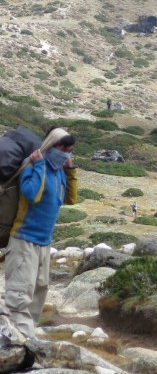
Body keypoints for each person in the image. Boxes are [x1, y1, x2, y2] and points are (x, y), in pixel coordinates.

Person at [3, 128, 78, 338]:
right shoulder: (31, 165)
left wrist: (70, 171)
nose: (66, 154)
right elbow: (32, 195)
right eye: (62, 149)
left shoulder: (59, 171)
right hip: (23, 240)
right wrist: (38, 166)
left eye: (69, 150)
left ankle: (28, 338)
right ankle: (18, 340)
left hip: (44, 243)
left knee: (39, 291)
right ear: (50, 145)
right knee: (20, 294)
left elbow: (70, 199)